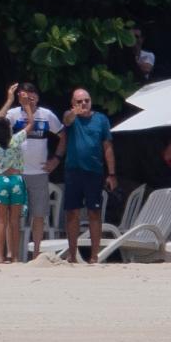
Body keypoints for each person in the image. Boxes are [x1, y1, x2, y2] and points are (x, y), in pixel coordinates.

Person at [0, 82, 65, 260]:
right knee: (14, 216)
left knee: (39, 214)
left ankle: (36, 254)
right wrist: (9, 100)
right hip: (16, 172)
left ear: (38, 97)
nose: (29, 99)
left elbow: (63, 135)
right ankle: (14, 255)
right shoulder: (13, 114)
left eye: (32, 96)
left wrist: (56, 159)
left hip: (39, 173)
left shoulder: (46, 115)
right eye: (25, 96)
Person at [62, 88, 117, 263]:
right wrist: (74, 113)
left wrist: (112, 174)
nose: (84, 103)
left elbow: (107, 147)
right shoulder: (71, 118)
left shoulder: (101, 120)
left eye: (86, 100)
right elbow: (66, 119)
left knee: (94, 213)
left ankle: (94, 256)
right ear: (73, 104)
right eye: (79, 101)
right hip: (73, 171)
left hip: (94, 172)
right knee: (72, 213)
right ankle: (72, 254)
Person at [0, 87, 35, 264]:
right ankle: (14, 256)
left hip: (1, 181)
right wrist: (27, 105)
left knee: (1, 221)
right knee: (14, 222)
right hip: (16, 180)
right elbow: (31, 124)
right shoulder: (16, 140)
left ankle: (0, 256)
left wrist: (8, 100)